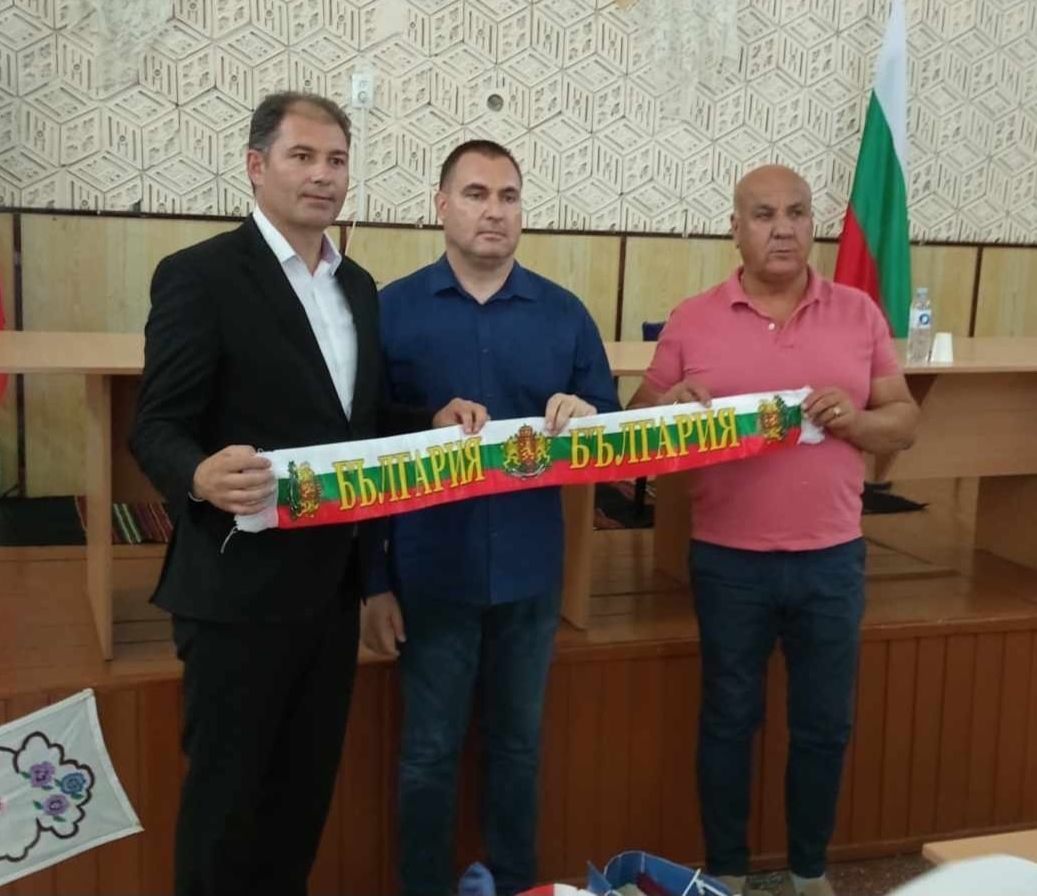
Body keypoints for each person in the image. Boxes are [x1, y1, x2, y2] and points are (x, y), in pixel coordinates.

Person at [129, 92, 483, 896]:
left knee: (300, 801)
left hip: (330, 589)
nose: (323, 175)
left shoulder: (357, 284)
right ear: (257, 166)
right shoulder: (199, 276)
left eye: (336, 159)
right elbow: (155, 424)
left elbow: (354, 422)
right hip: (236, 588)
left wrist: (427, 420)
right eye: (302, 156)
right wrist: (197, 474)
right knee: (227, 806)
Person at [630, 165, 919, 896]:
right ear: (736, 228)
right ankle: (726, 869)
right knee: (729, 719)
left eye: (796, 213)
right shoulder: (694, 317)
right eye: (764, 214)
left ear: (813, 224)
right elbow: (636, 425)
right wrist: (671, 407)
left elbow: (904, 420)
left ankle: (809, 870)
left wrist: (856, 421)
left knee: (824, 724)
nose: (783, 228)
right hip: (729, 561)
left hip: (831, 559)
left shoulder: (858, 312)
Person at [362, 139, 621, 896]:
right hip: (428, 573)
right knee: (428, 754)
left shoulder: (563, 314)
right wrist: (373, 581)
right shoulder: (389, 311)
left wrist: (588, 415)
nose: (494, 211)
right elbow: (362, 451)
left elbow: (611, 427)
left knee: (518, 750)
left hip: (529, 575)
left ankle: (516, 886)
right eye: (476, 194)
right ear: (441, 206)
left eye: (508, 196)